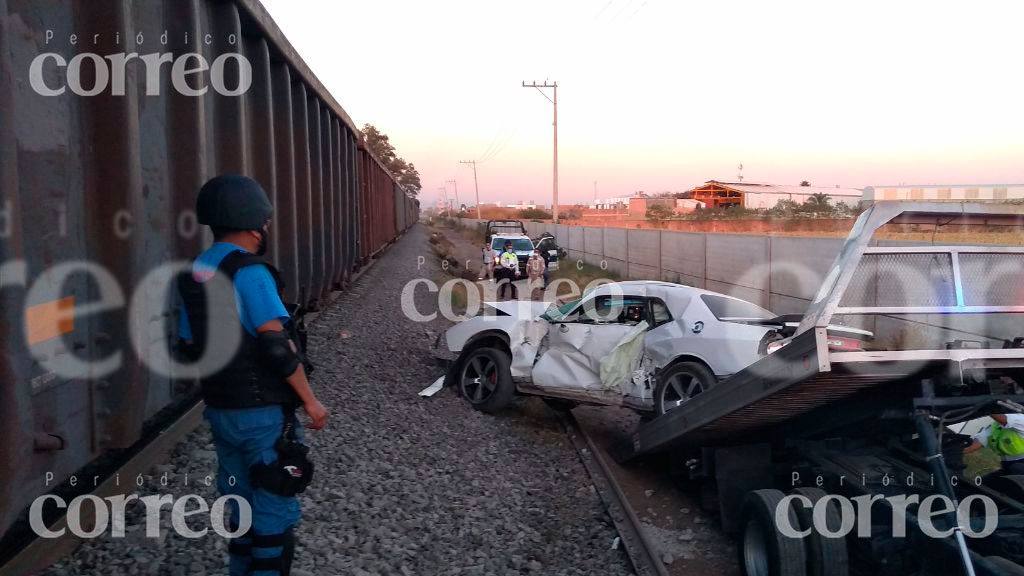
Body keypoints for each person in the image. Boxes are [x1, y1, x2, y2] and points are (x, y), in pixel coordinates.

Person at [177, 174, 329, 576]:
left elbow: (189, 345)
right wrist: (310, 401)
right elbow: (277, 347)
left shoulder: (195, 271)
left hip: (221, 409)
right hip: (262, 412)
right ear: (253, 224)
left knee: (239, 503)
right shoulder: (251, 272)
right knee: (274, 508)